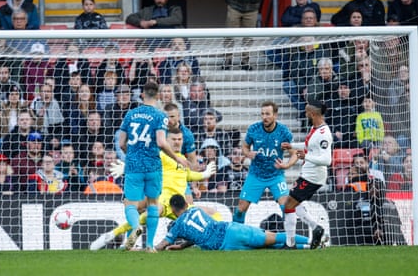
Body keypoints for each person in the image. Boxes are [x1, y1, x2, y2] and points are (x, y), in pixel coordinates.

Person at [89, 127, 217, 250]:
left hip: (180, 205)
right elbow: (143, 162)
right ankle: (112, 235)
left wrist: (204, 174)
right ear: (166, 141)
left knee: (212, 213)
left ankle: (214, 242)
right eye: (174, 139)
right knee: (150, 212)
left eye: (179, 139)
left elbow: (187, 175)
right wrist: (127, 168)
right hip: (165, 200)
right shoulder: (161, 156)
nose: (177, 142)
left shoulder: (182, 159)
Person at [117, 82, 188, 252]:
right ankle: (149, 245)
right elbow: (162, 142)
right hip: (153, 165)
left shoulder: (130, 114)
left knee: (130, 204)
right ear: (157, 96)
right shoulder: (160, 116)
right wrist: (177, 159)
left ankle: (135, 227)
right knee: (152, 203)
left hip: (134, 165)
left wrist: (132, 155)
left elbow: (121, 144)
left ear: (142, 95)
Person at [154, 194, 312, 251]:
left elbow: (162, 245)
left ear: (173, 209)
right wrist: (182, 246)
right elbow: (201, 231)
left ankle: (310, 244)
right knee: (273, 238)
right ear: (186, 204)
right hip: (231, 230)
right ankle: (310, 242)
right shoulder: (196, 210)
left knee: (271, 246)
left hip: (226, 247)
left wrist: (150, 247)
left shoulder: (176, 226)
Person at [232, 101, 298, 224]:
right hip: (256, 174)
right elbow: (245, 147)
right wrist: (247, 154)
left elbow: (295, 153)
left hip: (276, 175)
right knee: (240, 208)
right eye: (262, 114)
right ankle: (235, 236)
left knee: (286, 206)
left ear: (275, 115)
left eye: (267, 114)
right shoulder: (254, 129)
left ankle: (290, 239)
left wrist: (287, 165)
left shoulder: (283, 132)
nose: (264, 117)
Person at [282, 99, 332, 249]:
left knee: (288, 204)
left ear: (313, 113)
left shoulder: (324, 133)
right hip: (308, 173)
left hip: (313, 176)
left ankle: (290, 243)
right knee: (295, 204)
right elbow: (307, 146)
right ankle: (316, 227)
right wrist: (291, 146)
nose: (305, 114)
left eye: (307, 111)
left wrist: (306, 157)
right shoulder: (314, 128)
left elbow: (327, 160)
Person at [221, 0, 260, 71]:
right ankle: (227, 59)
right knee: (229, 35)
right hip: (234, 5)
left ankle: (245, 61)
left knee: (249, 36)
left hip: (252, 7)